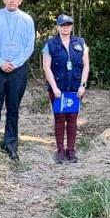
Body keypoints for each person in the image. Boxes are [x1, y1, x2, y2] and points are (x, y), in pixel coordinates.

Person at [0, 0, 35, 160]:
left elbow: (29, 46)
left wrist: (15, 63)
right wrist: (1, 62)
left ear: (20, 0)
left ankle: (10, 144)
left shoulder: (27, 20)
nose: (12, 0)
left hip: (18, 70)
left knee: (13, 107)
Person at [41, 14, 89, 163]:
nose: (65, 27)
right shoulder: (50, 44)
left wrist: (83, 85)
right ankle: (61, 150)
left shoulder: (80, 43)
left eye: (68, 25)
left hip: (75, 87)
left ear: (72, 26)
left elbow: (86, 65)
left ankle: (71, 150)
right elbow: (46, 67)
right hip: (58, 88)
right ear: (58, 27)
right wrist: (54, 88)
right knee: (60, 119)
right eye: (62, 25)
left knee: (73, 119)